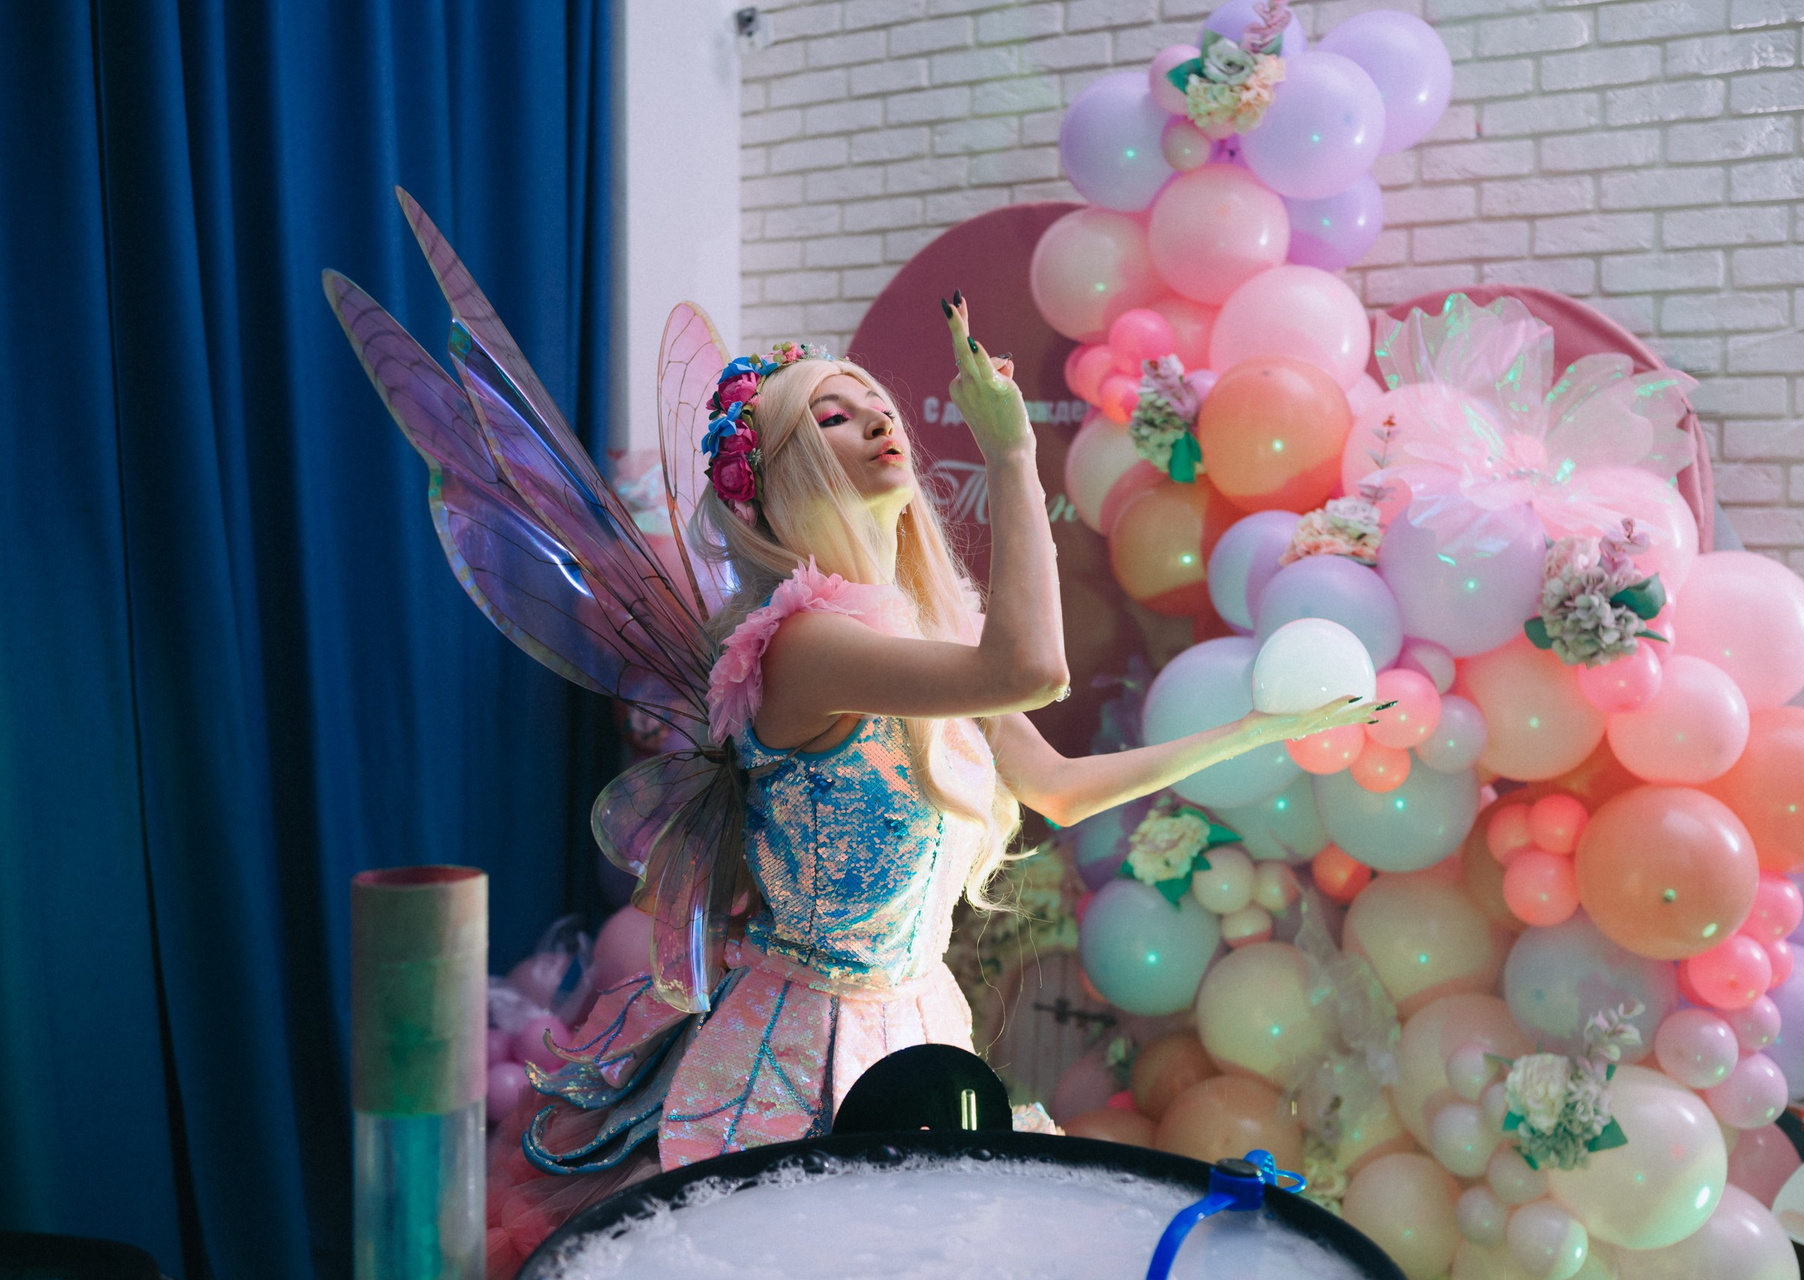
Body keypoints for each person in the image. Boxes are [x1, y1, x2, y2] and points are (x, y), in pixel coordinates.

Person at [321, 201, 1380, 1274]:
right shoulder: (804, 645)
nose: (879, 422)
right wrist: (1013, 452)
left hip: (920, 1029)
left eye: (879, 406)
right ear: (784, 478)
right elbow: (1033, 669)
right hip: (795, 1058)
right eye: (834, 416)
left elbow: (1056, 785)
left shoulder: (920, 639)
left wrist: (1256, 729)